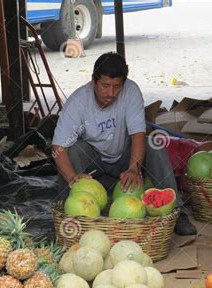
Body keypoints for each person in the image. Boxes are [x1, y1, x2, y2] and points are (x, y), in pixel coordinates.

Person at [52, 52, 196, 235]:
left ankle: (177, 214)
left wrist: (134, 168)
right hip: (93, 167)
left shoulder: (131, 92)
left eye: (116, 87)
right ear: (93, 81)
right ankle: (69, 219)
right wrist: (73, 177)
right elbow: (58, 147)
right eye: (105, 86)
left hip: (123, 161)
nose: (110, 93)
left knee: (154, 145)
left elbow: (138, 135)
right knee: (75, 150)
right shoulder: (78, 102)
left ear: (123, 84)